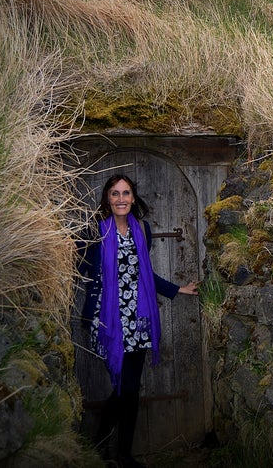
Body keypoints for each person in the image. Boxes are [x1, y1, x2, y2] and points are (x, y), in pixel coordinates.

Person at [77, 174, 199, 468]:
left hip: (138, 319)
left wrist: (177, 289)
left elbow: (143, 274)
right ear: (107, 198)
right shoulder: (96, 231)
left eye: (126, 193)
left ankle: (118, 453)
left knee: (128, 388)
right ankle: (106, 450)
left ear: (133, 197)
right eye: (115, 194)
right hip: (108, 319)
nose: (121, 199)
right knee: (126, 387)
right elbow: (81, 266)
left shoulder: (141, 229)